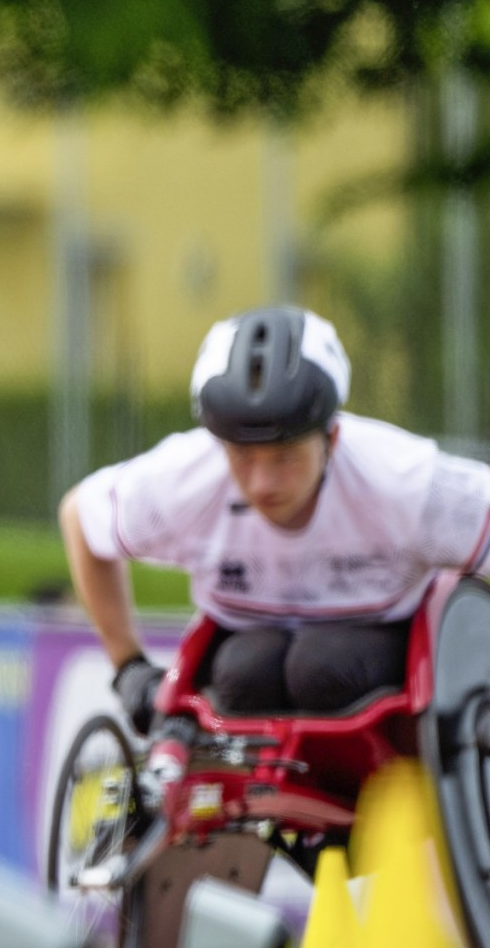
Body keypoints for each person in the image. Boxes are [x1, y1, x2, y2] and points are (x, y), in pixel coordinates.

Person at [62, 305, 490, 727]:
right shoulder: (187, 477)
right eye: (243, 456)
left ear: (332, 438)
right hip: (245, 649)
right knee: (245, 671)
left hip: (380, 639)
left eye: (286, 457)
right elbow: (80, 517)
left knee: (319, 668)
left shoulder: (401, 481)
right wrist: (129, 666)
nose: (263, 482)